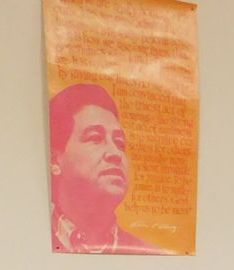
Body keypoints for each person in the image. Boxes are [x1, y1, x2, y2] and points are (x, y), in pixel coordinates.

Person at [48, 82, 160, 255]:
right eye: (95, 138)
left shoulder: (150, 254)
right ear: (55, 160)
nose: (115, 154)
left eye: (120, 144)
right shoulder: (23, 237)